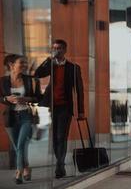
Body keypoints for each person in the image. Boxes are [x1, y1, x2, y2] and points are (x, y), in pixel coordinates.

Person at [34, 39, 85, 178]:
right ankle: (59, 162)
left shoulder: (74, 68)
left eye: (60, 48)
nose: (57, 50)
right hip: (51, 107)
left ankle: (60, 165)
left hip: (65, 107)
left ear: (65, 50)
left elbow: (79, 91)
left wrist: (81, 111)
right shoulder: (50, 65)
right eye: (55, 48)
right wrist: (48, 59)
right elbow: (37, 74)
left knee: (61, 136)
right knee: (55, 138)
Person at [0, 54, 41, 184]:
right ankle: (26, 167)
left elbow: (38, 98)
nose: (24, 65)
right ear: (11, 65)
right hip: (10, 118)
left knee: (21, 144)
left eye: (25, 63)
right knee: (17, 146)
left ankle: (19, 172)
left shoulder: (31, 80)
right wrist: (7, 99)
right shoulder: (2, 81)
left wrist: (26, 99)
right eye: (21, 63)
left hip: (26, 116)